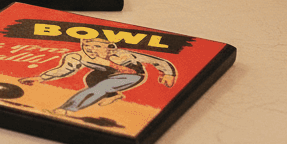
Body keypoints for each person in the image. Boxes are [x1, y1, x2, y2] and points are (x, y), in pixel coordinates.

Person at [21, 37, 176, 116]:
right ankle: (113, 95)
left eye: (97, 46)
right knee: (91, 79)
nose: (91, 50)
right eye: (88, 46)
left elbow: (156, 61)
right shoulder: (77, 56)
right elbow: (64, 70)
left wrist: (169, 73)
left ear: (109, 48)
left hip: (132, 74)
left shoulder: (123, 54)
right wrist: (41, 78)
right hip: (104, 74)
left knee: (102, 86)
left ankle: (68, 109)